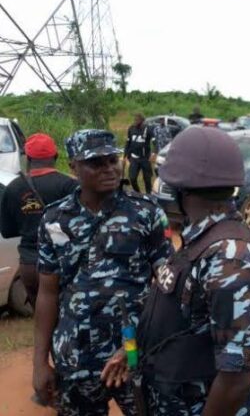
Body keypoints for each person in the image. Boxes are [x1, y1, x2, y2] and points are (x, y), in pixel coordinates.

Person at [101, 126, 250, 416]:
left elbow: (237, 378)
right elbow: (183, 319)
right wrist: (135, 350)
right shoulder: (203, 238)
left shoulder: (230, 258)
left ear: (179, 189)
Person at [33, 129, 173, 415]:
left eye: (113, 159)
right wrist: (39, 363)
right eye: (96, 163)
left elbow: (167, 286)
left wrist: (135, 344)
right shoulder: (54, 219)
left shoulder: (146, 212)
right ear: (73, 167)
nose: (109, 168)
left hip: (134, 353)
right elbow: (47, 293)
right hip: (75, 358)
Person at [0, 133, 77, 307]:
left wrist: (28, 220)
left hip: (30, 264)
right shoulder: (69, 185)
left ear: (28, 158)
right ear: (56, 157)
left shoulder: (13, 188)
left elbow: (6, 230)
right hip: (64, 262)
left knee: (43, 318)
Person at [124, 113, 154, 193]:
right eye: (135, 120)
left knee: (147, 180)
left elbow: (155, 142)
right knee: (132, 178)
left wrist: (154, 153)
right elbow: (128, 142)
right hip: (134, 158)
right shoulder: (131, 128)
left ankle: (149, 196)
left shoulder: (148, 129)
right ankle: (138, 193)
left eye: (138, 120)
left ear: (142, 121)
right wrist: (125, 155)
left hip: (145, 158)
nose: (136, 122)